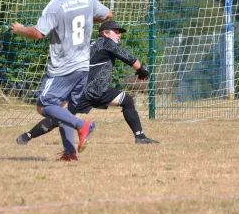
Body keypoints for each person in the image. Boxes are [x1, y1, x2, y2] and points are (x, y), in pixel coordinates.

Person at [9, 0, 112, 161]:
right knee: (63, 109)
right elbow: (108, 15)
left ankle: (83, 126)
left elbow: (38, 33)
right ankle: (69, 153)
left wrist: (20, 29)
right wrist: (89, 18)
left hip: (63, 68)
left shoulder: (55, 5)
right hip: (83, 65)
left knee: (44, 105)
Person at [17, 20, 159, 146]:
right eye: (116, 32)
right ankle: (140, 137)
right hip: (94, 91)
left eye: (119, 32)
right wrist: (142, 70)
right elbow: (128, 57)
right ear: (105, 33)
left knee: (62, 116)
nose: (119, 35)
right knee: (126, 101)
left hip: (86, 90)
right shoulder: (107, 43)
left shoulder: (92, 45)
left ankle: (27, 136)